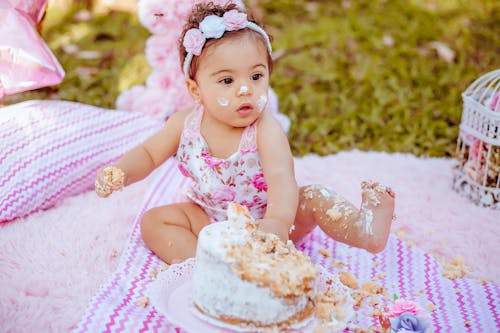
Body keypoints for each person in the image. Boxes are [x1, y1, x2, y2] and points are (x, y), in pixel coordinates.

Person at [95, 2, 395, 264]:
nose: (244, 89)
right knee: (154, 222)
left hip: (266, 221)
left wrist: (276, 223)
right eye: (226, 80)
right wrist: (121, 171)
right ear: (195, 90)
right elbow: (149, 154)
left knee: (315, 197)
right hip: (207, 218)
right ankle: (206, 265)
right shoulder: (183, 124)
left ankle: (363, 228)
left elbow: (281, 179)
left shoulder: (265, 129)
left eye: (256, 76)